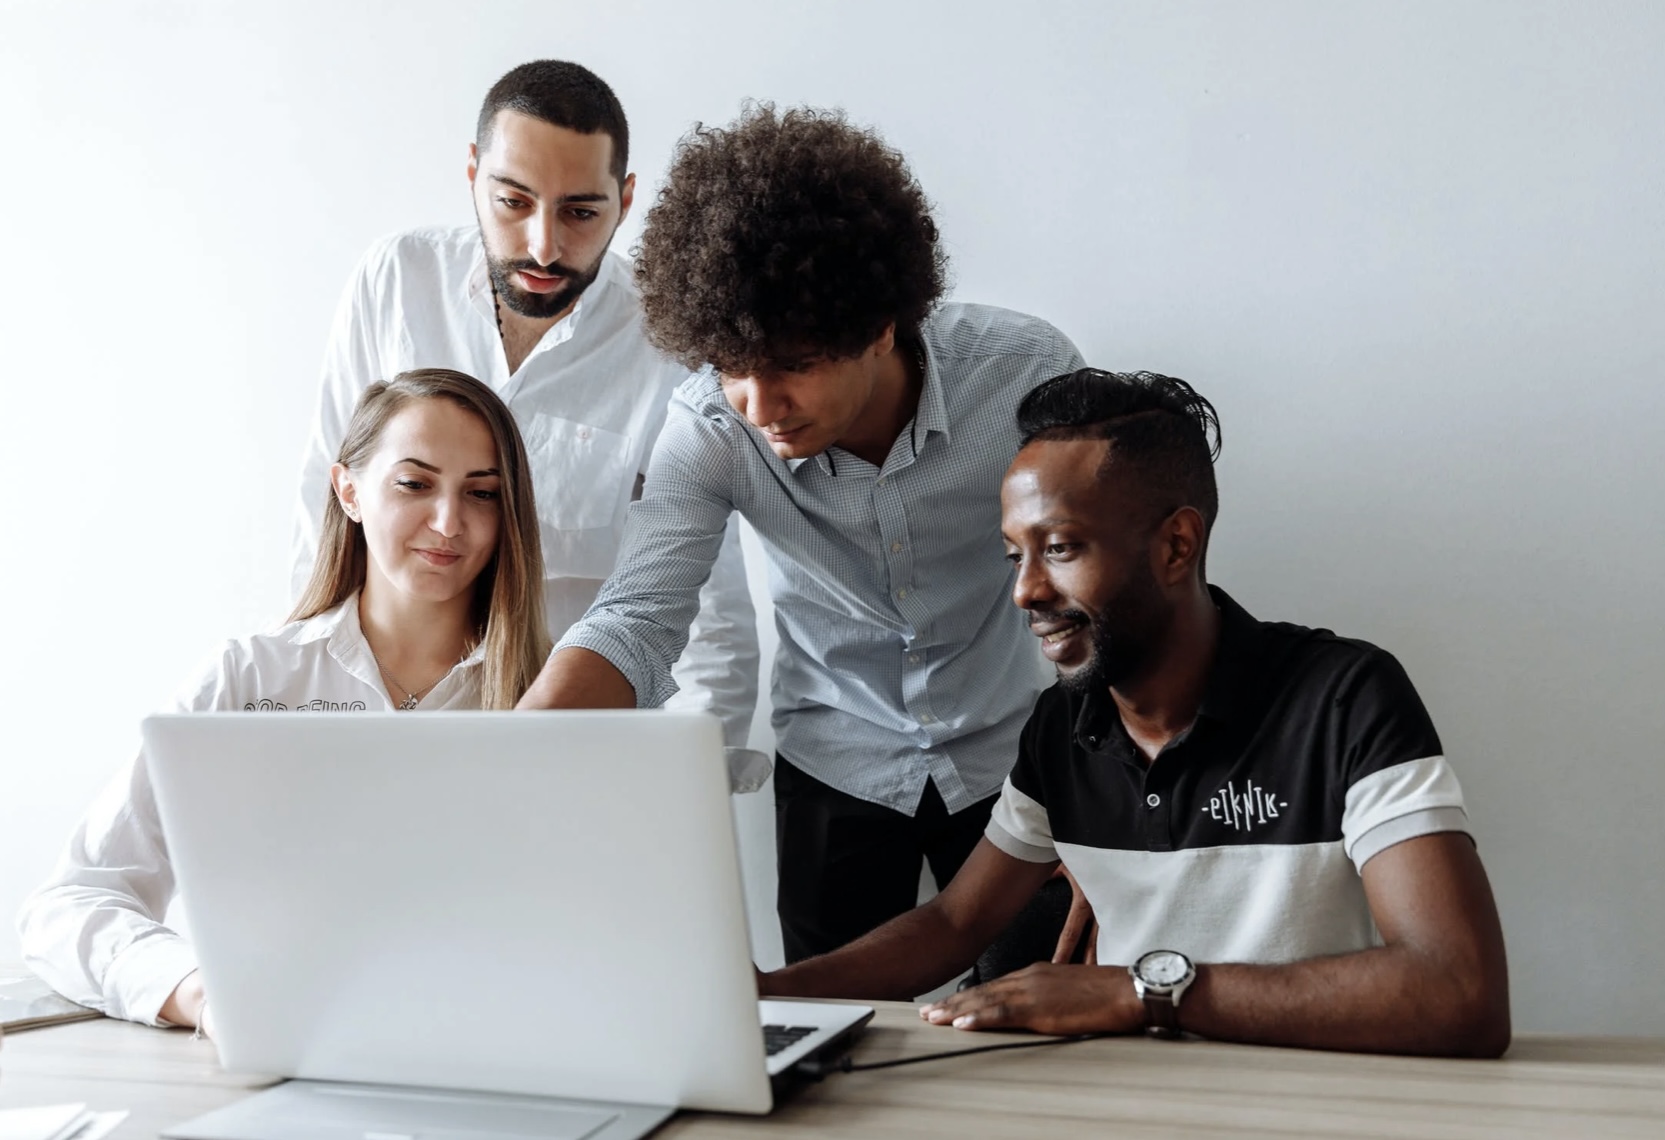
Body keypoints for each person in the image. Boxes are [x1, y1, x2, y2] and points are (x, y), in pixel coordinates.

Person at [758, 369, 1513, 1058]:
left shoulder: (1346, 698)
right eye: (1013, 555)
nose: (1024, 591)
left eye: (1059, 548)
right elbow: (953, 926)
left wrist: (1138, 991)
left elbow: (1459, 993)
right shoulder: (1060, 728)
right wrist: (759, 996)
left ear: (1177, 545)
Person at [518, 104, 1087, 977]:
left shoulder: (1025, 376)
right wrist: (505, 770)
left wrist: (1120, 804)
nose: (759, 403)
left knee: (1035, 1039)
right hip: (837, 765)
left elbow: (1107, 590)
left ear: (879, 324)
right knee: (832, 1050)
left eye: (794, 363)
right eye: (732, 366)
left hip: (1020, 756)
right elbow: (636, 617)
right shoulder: (711, 428)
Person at [20, 369, 548, 1031]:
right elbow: (69, 904)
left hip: (492, 1043)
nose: (448, 521)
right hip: (277, 1052)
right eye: (414, 483)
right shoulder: (246, 679)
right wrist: (201, 996)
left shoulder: (551, 697)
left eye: (483, 493)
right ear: (348, 491)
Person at [291, 59, 762, 787]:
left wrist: (689, 785)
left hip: (576, 763)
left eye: (580, 212)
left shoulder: (668, 337)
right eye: (513, 202)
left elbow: (705, 598)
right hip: (386, 739)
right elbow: (324, 518)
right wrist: (298, 719)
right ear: (474, 173)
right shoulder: (396, 281)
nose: (544, 247)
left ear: (626, 199)